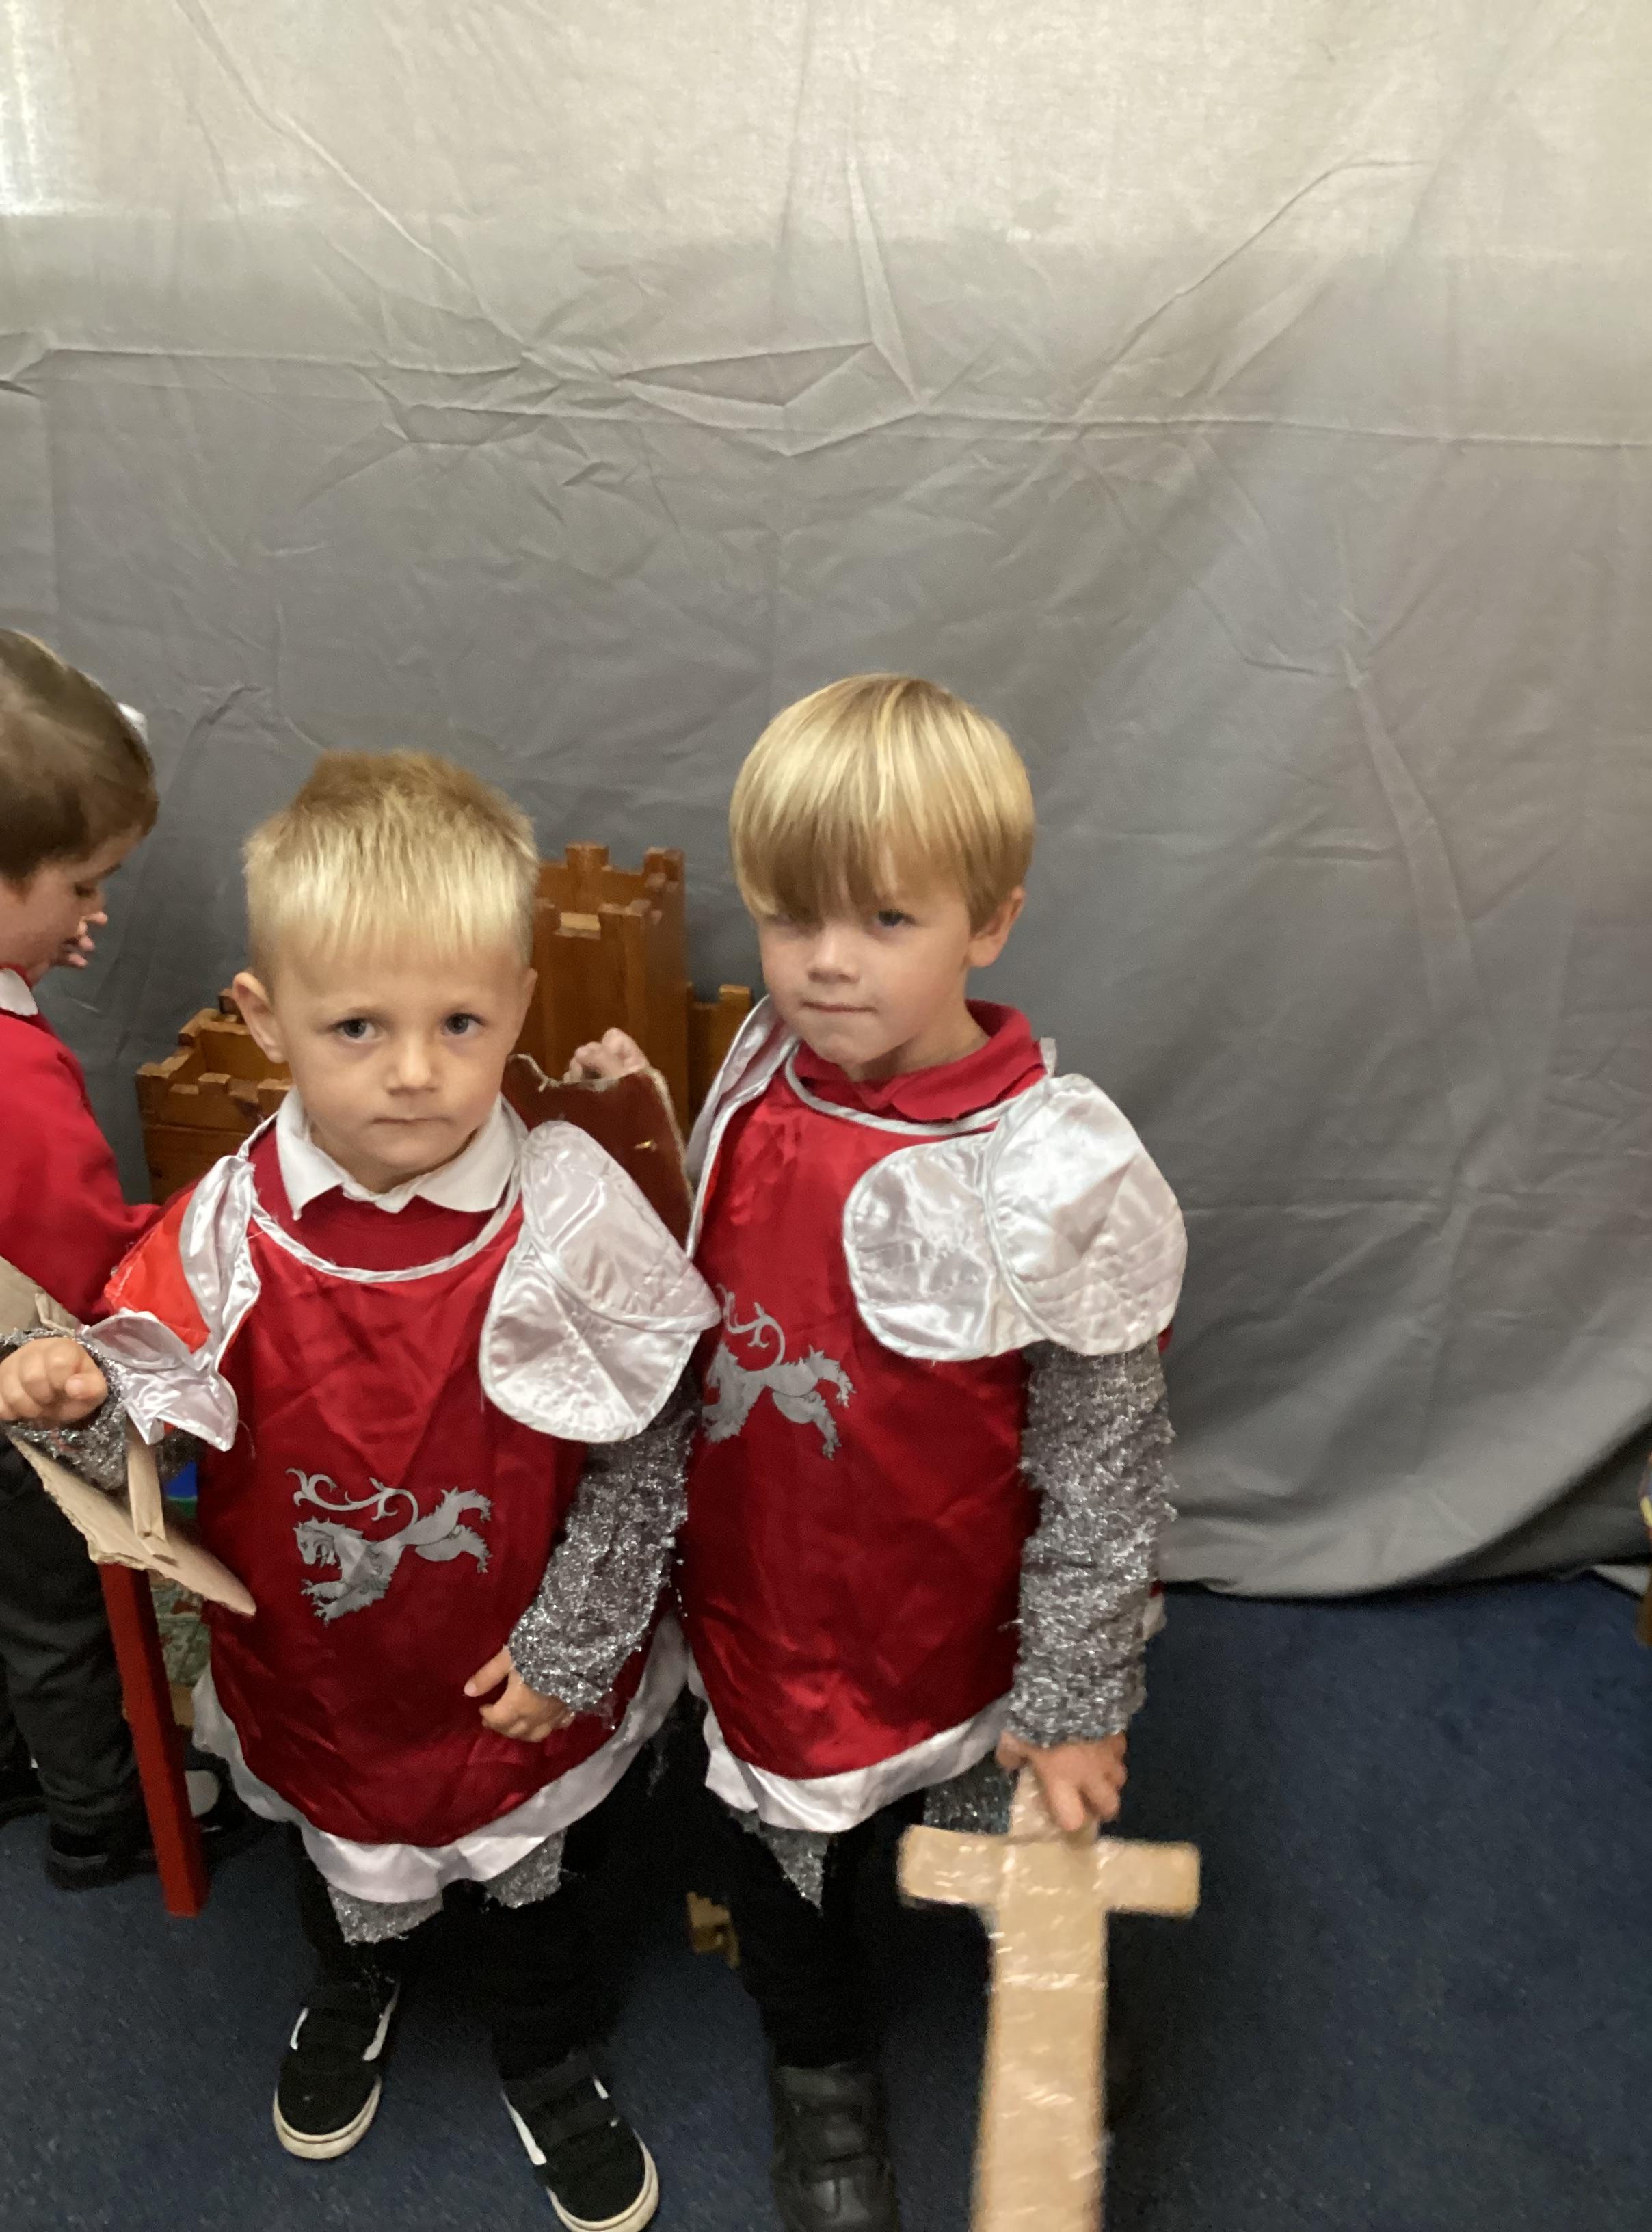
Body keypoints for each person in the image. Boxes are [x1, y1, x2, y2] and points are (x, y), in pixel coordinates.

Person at [0, 750, 717, 2232]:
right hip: (320, 1667)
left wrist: (579, 1641)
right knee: (341, 1868)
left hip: (512, 1665)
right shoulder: (226, 1224)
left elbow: (650, 1445)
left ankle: (545, 2051)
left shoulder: (568, 1210)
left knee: (536, 1888)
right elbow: (145, 1430)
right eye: (356, 1027)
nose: (413, 1072)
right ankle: (354, 1986)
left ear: (518, 1001)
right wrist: (82, 1399)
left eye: (460, 1022)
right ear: (268, 1020)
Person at [574, 674, 1187, 2232]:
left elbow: (1107, 1462)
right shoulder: (761, 1066)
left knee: (1012, 1837)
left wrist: (1073, 1701)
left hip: (962, 1622)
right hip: (777, 1604)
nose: (826, 962)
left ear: (991, 922)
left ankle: (1060, 1980)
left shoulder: (1049, 1165)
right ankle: (820, 2067)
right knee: (787, 1878)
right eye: (791, 918)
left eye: (886, 920)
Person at [0, 631, 246, 1889]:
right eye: (83, 884)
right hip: (19, 1387)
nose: (97, 914)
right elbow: (80, 1265)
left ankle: (27, 1759)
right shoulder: (14, 1079)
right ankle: (98, 1815)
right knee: (58, 1603)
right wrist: (195, 1230)